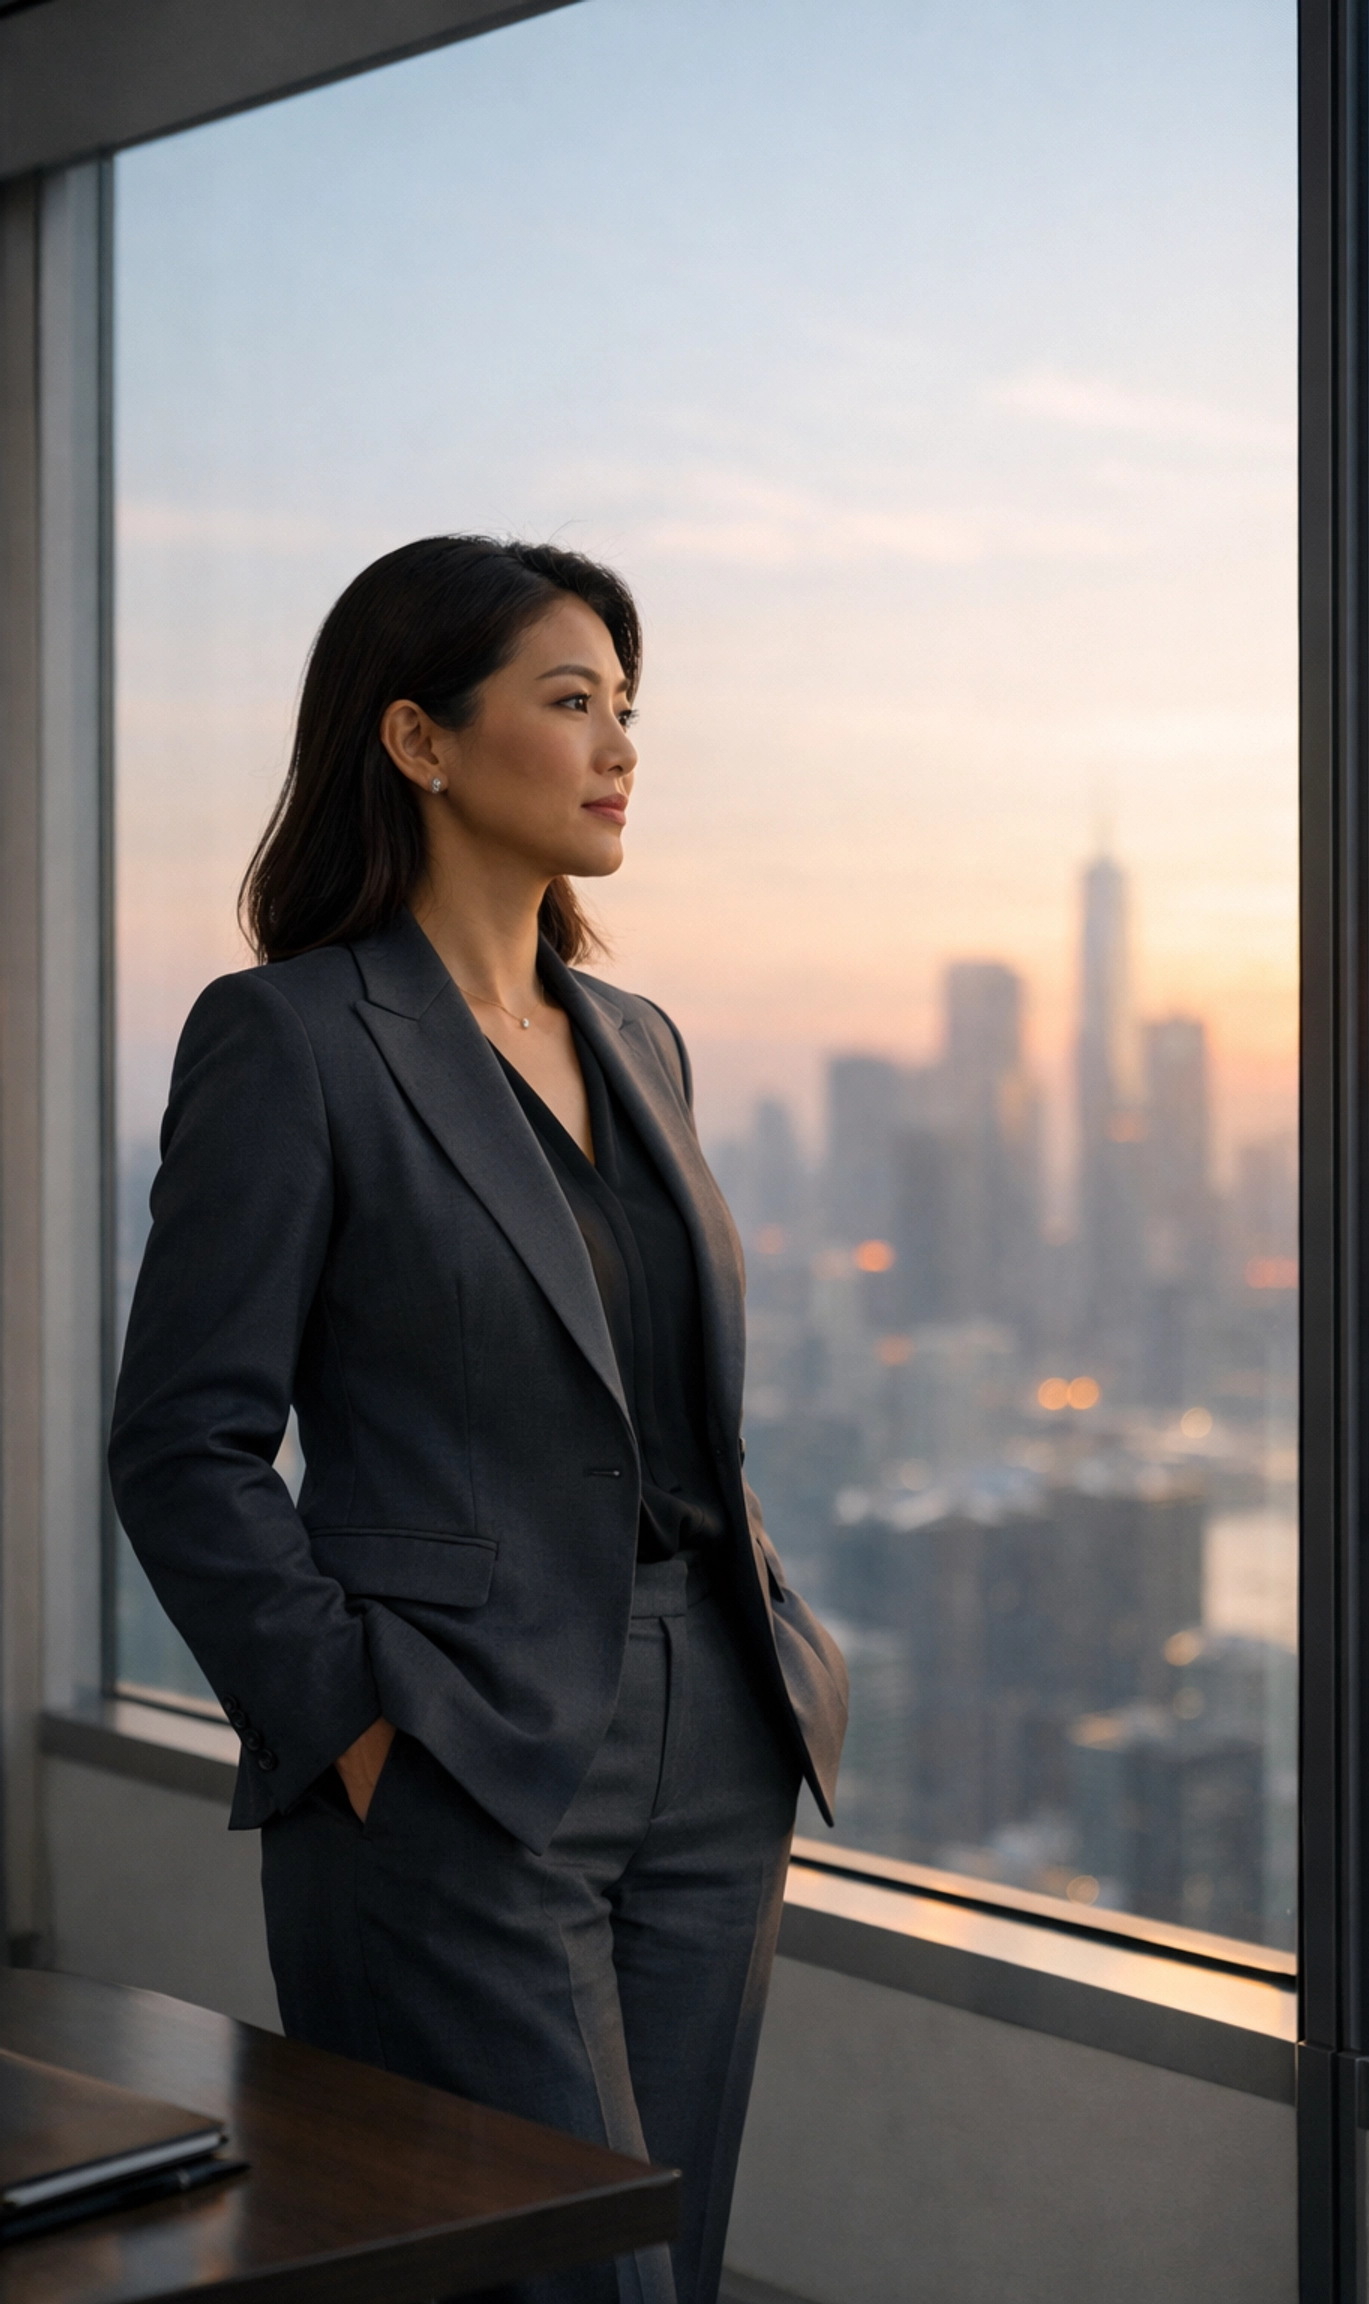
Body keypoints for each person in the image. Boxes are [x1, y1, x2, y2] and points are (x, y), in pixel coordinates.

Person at [108, 534, 848, 2304]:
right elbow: (184, 1444)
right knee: (560, 2284)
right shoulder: (291, 1039)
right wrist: (355, 1730)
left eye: (628, 706)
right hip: (453, 1744)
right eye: (572, 700)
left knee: (666, 2263)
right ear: (420, 739)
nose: (621, 748)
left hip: (714, 1730)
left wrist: (772, 1656)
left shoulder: (640, 1041)